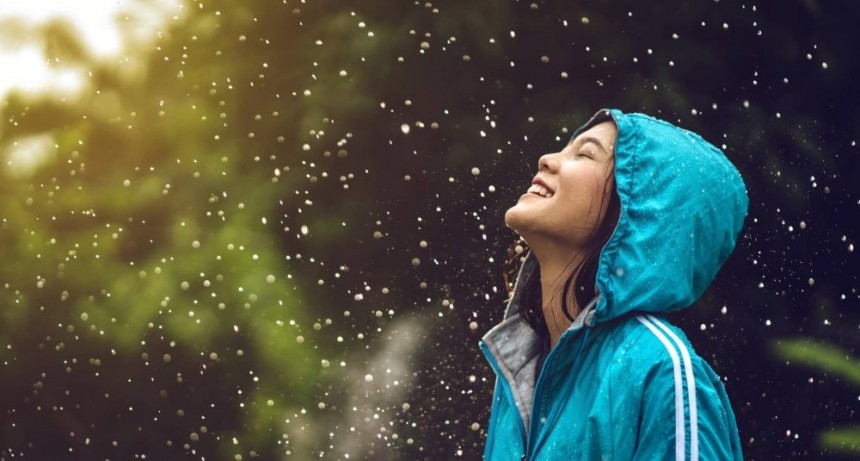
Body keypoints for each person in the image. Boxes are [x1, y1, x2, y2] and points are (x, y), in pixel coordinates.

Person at [479, 108, 747, 460]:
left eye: (585, 153)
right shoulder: (519, 370)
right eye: (564, 148)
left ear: (638, 213)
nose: (547, 159)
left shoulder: (661, 370)